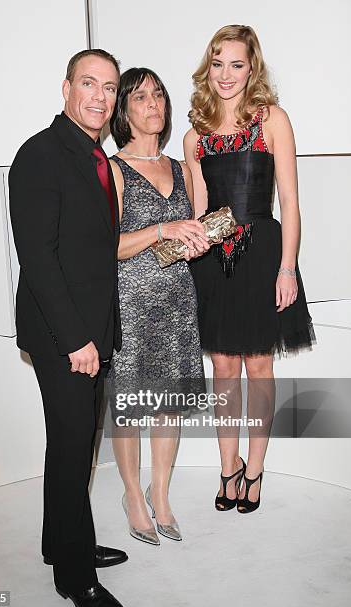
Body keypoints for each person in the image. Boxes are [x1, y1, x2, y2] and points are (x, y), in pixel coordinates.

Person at [9, 49, 127, 607]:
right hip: (64, 335)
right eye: (88, 83)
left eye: (109, 87)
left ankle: (60, 542)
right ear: (66, 88)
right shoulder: (39, 155)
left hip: (91, 330)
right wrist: (78, 340)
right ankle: (75, 579)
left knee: (77, 447)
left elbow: (94, 253)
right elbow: (39, 260)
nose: (99, 96)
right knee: (71, 448)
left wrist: (102, 333)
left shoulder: (93, 158)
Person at [184, 25, 315, 514]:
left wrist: (288, 269)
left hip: (263, 255)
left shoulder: (273, 120)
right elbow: (200, 211)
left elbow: (292, 202)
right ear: (208, 68)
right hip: (215, 262)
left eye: (236, 64)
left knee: (259, 365)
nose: (225, 74)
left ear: (252, 68)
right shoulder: (194, 134)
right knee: (222, 366)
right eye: (217, 64)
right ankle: (228, 468)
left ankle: (255, 470)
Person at [107, 67, 209, 544]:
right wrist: (162, 231)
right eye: (141, 96)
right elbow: (105, 246)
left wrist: (197, 239)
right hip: (129, 302)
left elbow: (195, 230)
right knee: (130, 407)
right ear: (123, 110)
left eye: (159, 95)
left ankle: (160, 492)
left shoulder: (184, 169)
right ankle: (132, 493)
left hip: (176, 302)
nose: (154, 104)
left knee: (169, 405)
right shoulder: (112, 168)